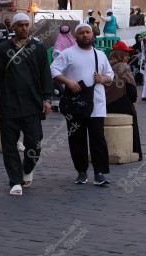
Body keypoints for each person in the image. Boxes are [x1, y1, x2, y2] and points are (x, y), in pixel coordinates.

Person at [0, 13, 53, 196]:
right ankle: (15, 181)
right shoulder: (2, 49)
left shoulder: (38, 48)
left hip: (32, 104)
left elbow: (45, 74)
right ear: (13, 28)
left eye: (27, 25)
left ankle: (26, 169)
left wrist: (47, 98)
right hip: (8, 104)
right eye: (20, 25)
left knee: (35, 143)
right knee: (9, 145)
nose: (24, 28)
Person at [50, 23, 114, 186]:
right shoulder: (67, 54)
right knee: (76, 138)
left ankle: (99, 173)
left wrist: (103, 79)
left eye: (87, 32)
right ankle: (81, 171)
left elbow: (110, 75)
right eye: (81, 33)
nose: (85, 35)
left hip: (97, 104)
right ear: (76, 36)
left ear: (92, 35)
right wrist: (68, 82)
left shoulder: (100, 54)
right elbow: (53, 70)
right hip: (76, 103)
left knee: (97, 138)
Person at [105, 49, 143, 161]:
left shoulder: (104, 65)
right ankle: (135, 151)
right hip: (120, 102)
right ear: (119, 56)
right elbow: (131, 89)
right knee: (133, 118)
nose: (128, 58)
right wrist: (132, 101)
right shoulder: (123, 66)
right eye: (126, 56)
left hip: (105, 105)